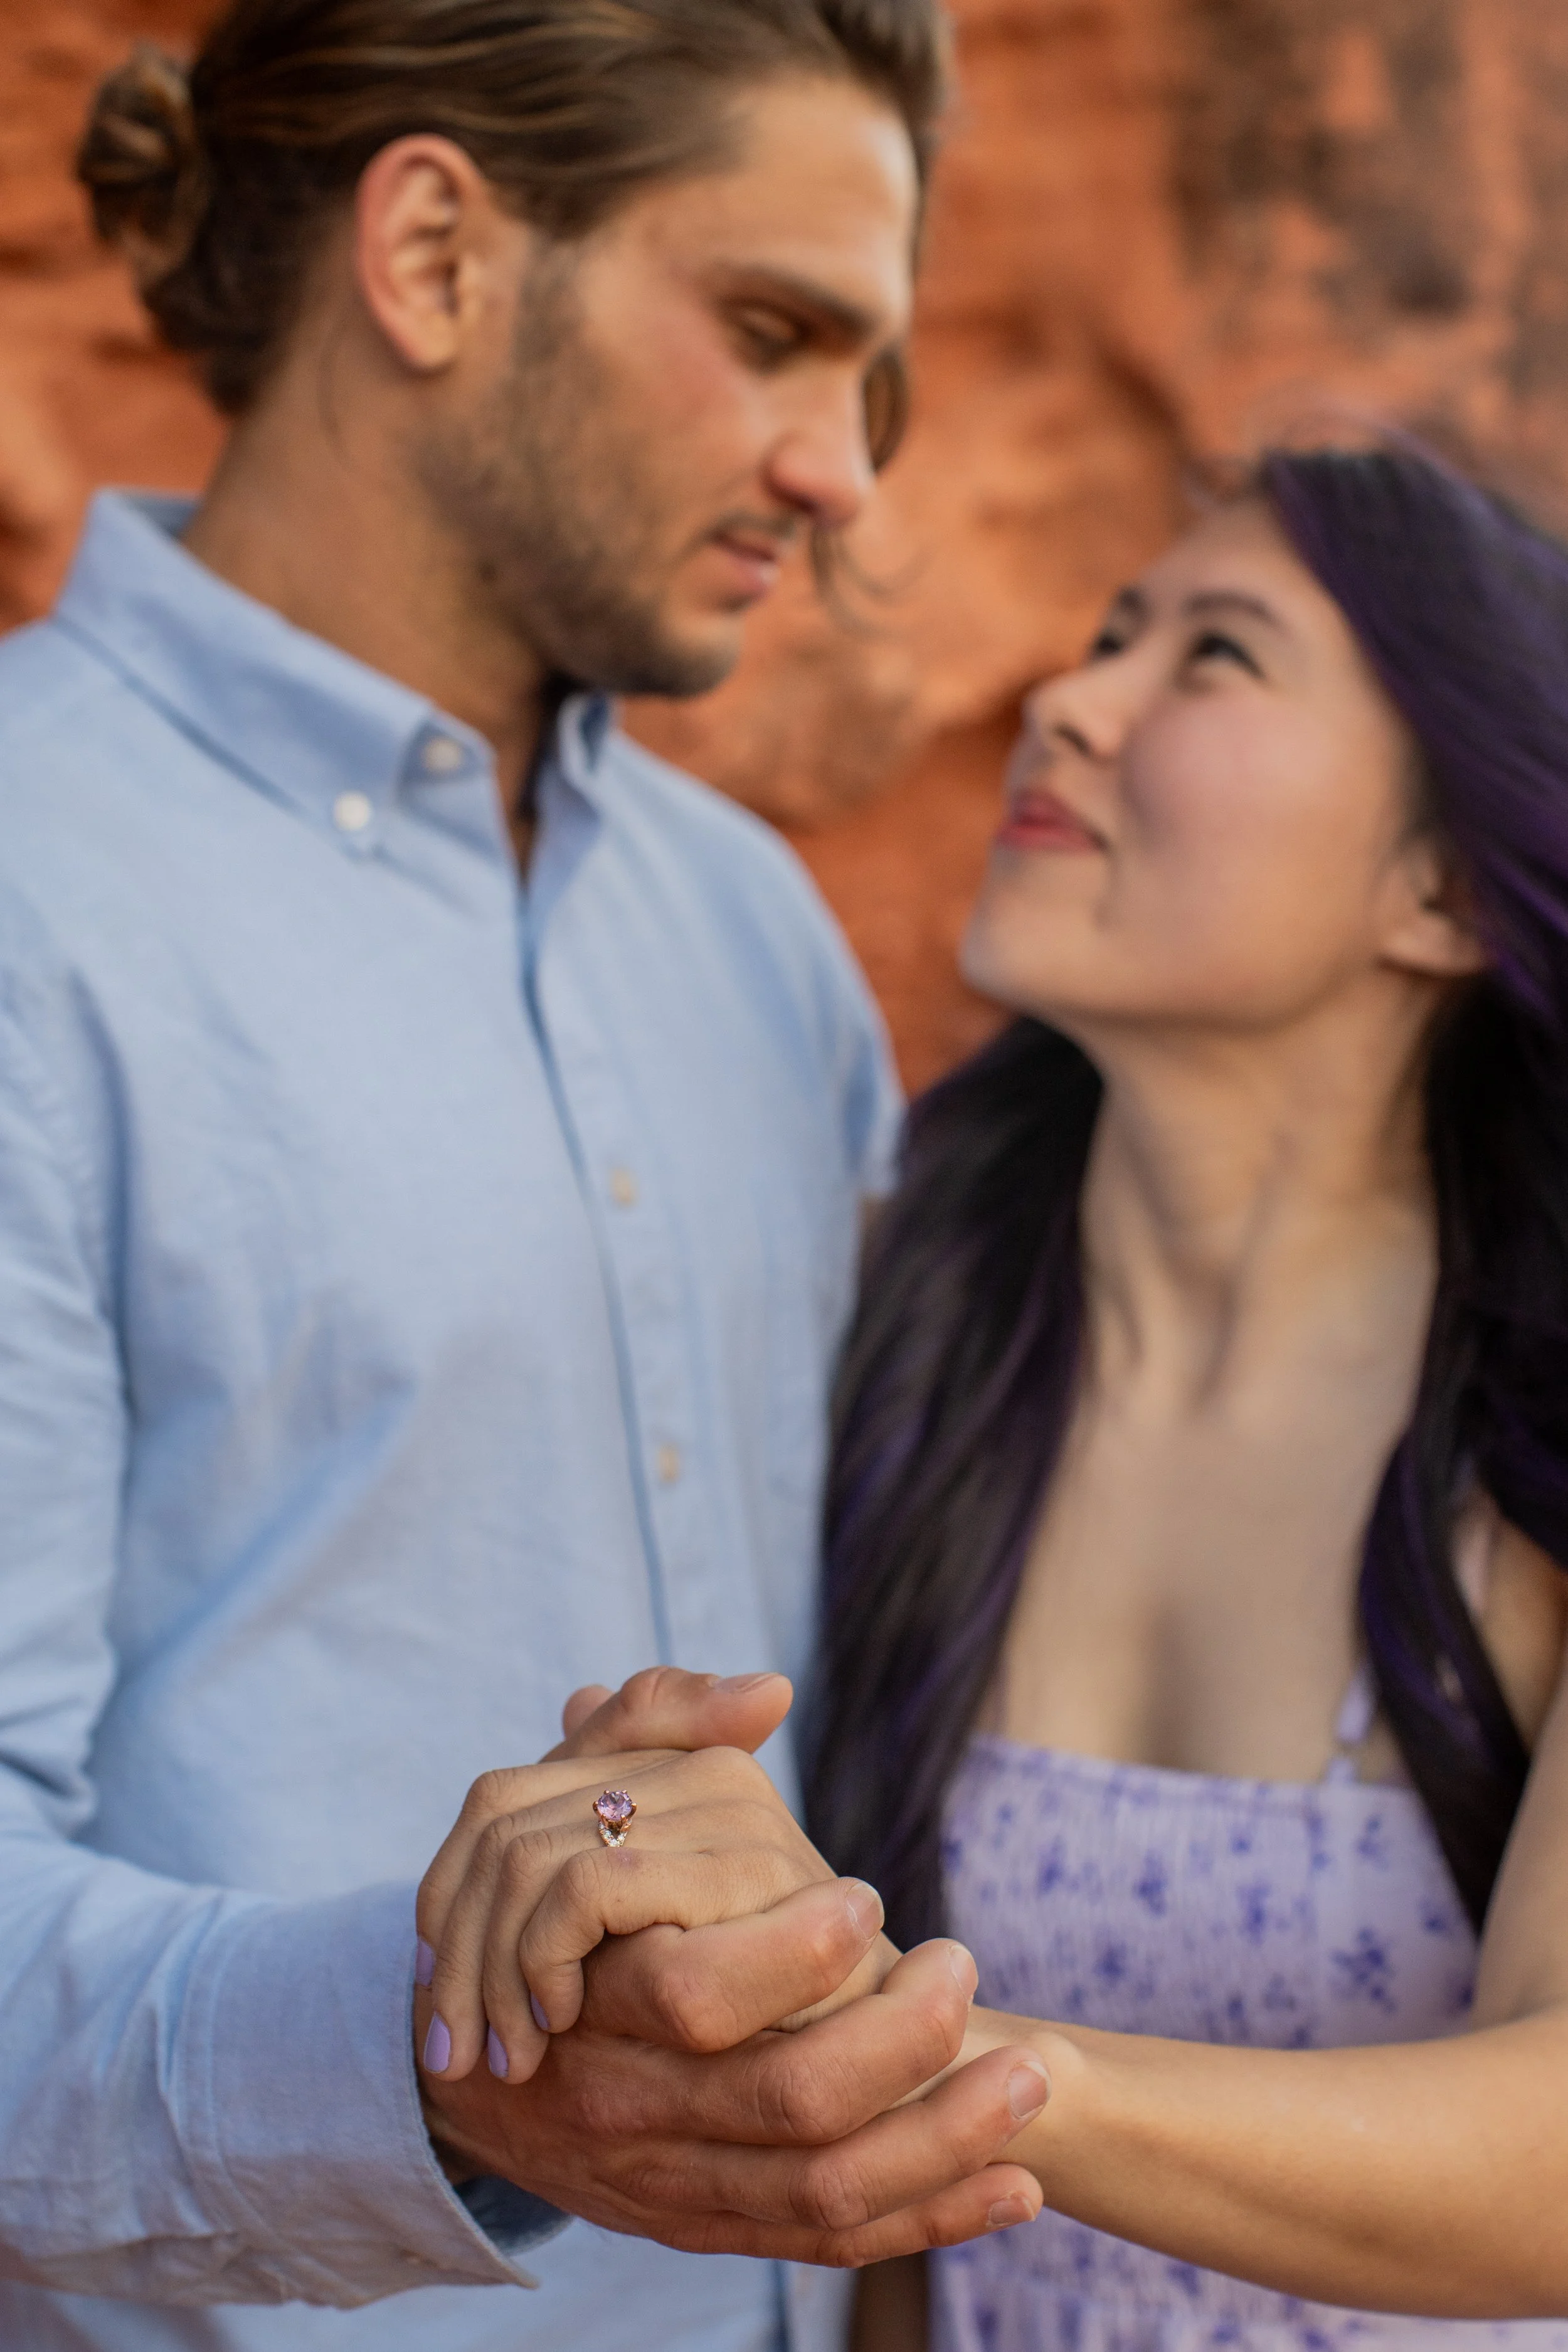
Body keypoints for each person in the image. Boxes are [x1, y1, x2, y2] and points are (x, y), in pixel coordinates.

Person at [0, 3, 1047, 2348]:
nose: (842, 471)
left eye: (865, 377)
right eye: (774, 331)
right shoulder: (25, 888)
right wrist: (442, 2077)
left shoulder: (752, 933)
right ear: (440, 252)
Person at [809, 440, 1568, 2348]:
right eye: (1107, 636)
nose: (1067, 698)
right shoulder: (909, 1332)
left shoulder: (1539, 1427)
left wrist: (922, 2071)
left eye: (1212, 657)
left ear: (1447, 889)